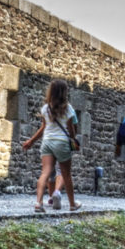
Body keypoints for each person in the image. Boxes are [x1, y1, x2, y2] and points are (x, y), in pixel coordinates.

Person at [22, 79, 82, 212]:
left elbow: (43, 127)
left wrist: (31, 141)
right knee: (66, 174)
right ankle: (72, 204)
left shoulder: (45, 108)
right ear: (64, 93)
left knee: (45, 173)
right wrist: (73, 139)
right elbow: (71, 129)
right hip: (61, 143)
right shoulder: (68, 108)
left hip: (47, 142)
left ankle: (39, 203)